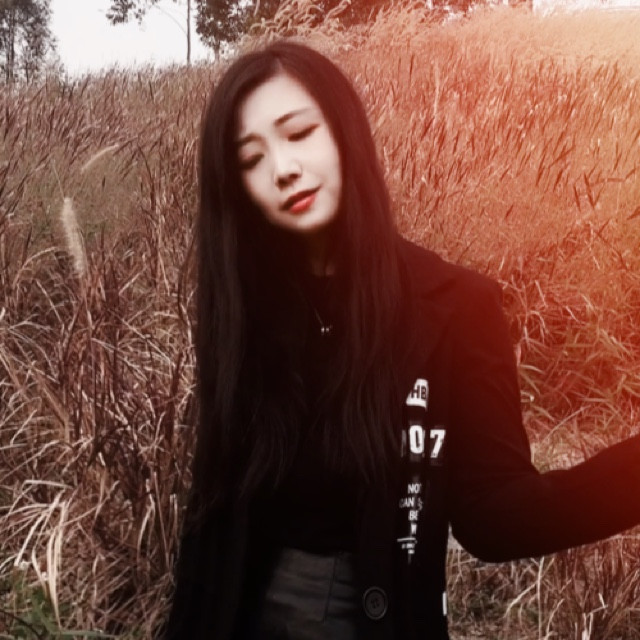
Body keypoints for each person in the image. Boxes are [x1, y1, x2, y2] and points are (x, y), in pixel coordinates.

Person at [162, 40, 640, 640]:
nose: (282, 168)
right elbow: (213, 513)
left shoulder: (455, 307)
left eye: (299, 133)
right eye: (251, 159)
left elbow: (498, 519)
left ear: (345, 133)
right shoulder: (243, 307)